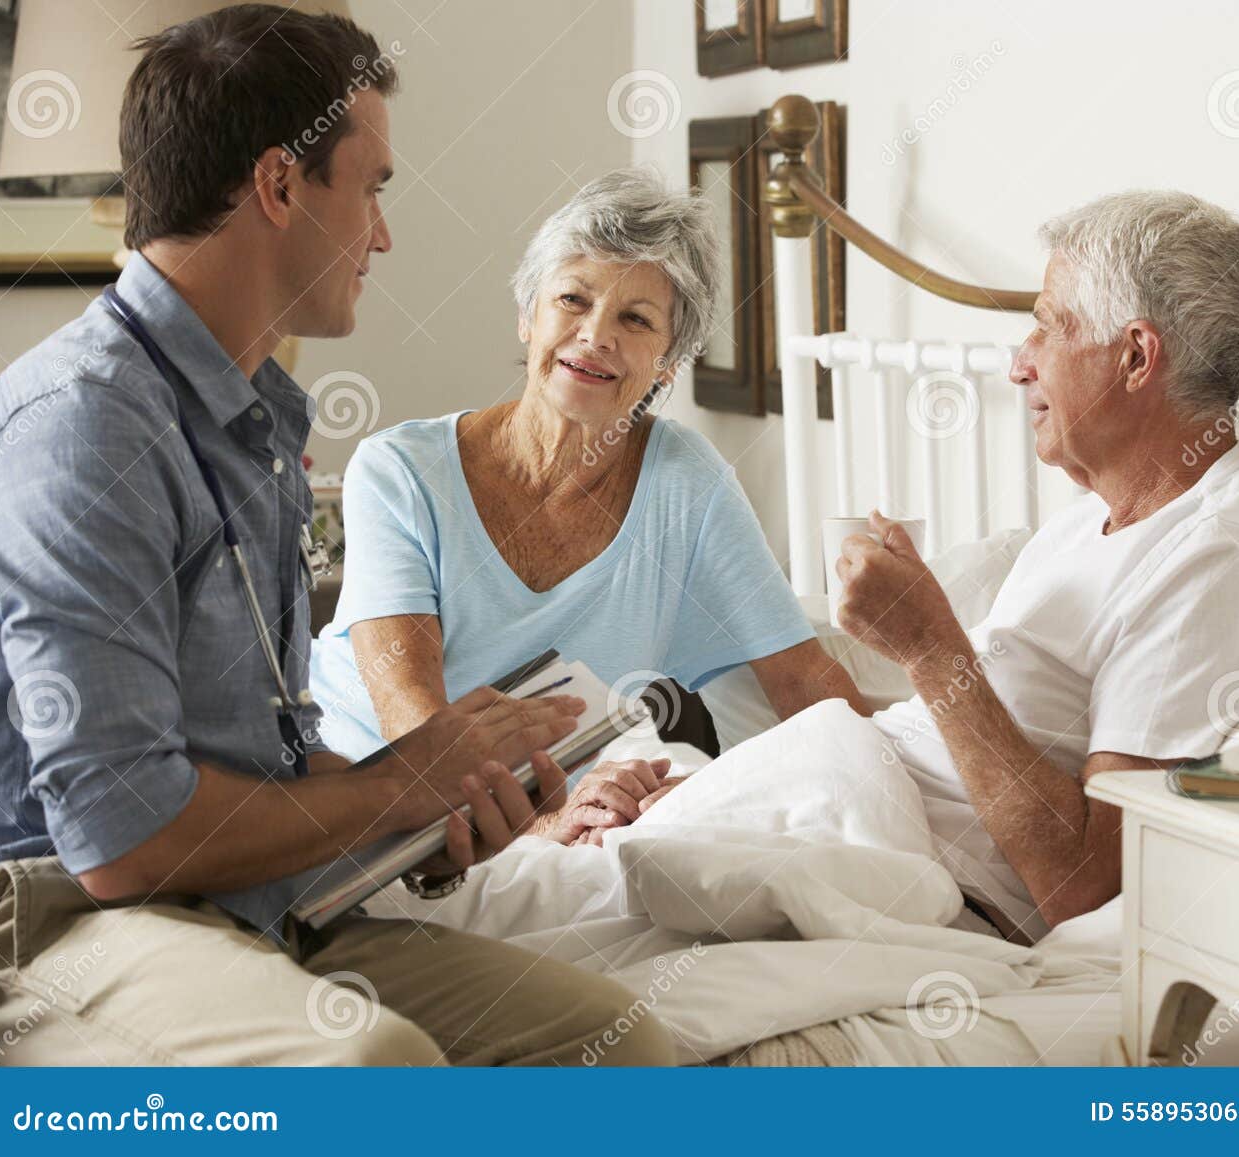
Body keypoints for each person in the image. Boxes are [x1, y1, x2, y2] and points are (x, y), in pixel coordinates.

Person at [0, 4, 671, 1066]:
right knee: (367, 1068)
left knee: (618, 1046)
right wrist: (395, 784)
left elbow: (257, 753)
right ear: (277, 185)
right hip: (70, 919)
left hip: (247, 901)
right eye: (372, 190)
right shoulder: (84, 428)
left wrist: (428, 805)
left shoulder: (256, 418)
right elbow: (121, 839)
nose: (385, 233)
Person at [307, 168, 865, 842]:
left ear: (669, 361)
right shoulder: (399, 471)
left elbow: (806, 682)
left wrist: (904, 797)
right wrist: (548, 825)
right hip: (375, 814)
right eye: (573, 299)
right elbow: (416, 738)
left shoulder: (687, 484)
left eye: (635, 319)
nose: (596, 334)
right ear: (527, 316)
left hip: (565, 820)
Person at [815, 191, 1239, 942]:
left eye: (1047, 328)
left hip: (896, 875)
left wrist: (929, 647)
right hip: (826, 807)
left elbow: (1086, 886)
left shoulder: (1217, 555)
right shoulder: (1087, 519)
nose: (1019, 366)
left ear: (1137, 356)